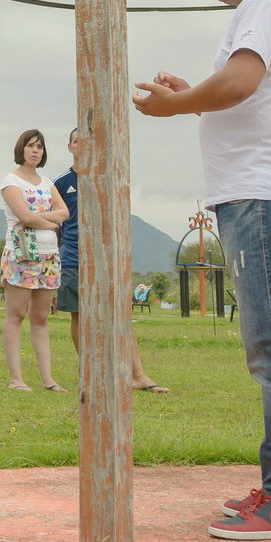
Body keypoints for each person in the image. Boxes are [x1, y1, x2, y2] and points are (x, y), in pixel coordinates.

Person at [133, 0, 271, 540]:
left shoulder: (267, 1)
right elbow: (246, 93)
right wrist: (194, 93)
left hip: (269, 195)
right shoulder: (267, 9)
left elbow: (241, 84)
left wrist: (176, 104)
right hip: (266, 193)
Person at [54, 127, 169, 393]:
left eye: (87, 141)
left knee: (121, 315)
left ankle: (137, 375)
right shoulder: (60, 183)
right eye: (76, 140)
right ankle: (90, 372)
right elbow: (55, 221)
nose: (81, 145)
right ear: (69, 146)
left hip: (107, 259)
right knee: (79, 315)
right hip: (73, 257)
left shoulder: (107, 178)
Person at [0, 130, 70, 392]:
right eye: (30, 146)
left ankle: (48, 380)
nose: (35, 150)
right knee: (16, 315)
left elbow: (65, 212)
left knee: (40, 317)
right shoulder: (11, 181)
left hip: (49, 256)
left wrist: (44, 220)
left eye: (39, 146)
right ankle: (17, 379)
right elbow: (24, 217)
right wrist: (49, 223)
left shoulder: (46, 181)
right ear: (21, 149)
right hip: (21, 255)